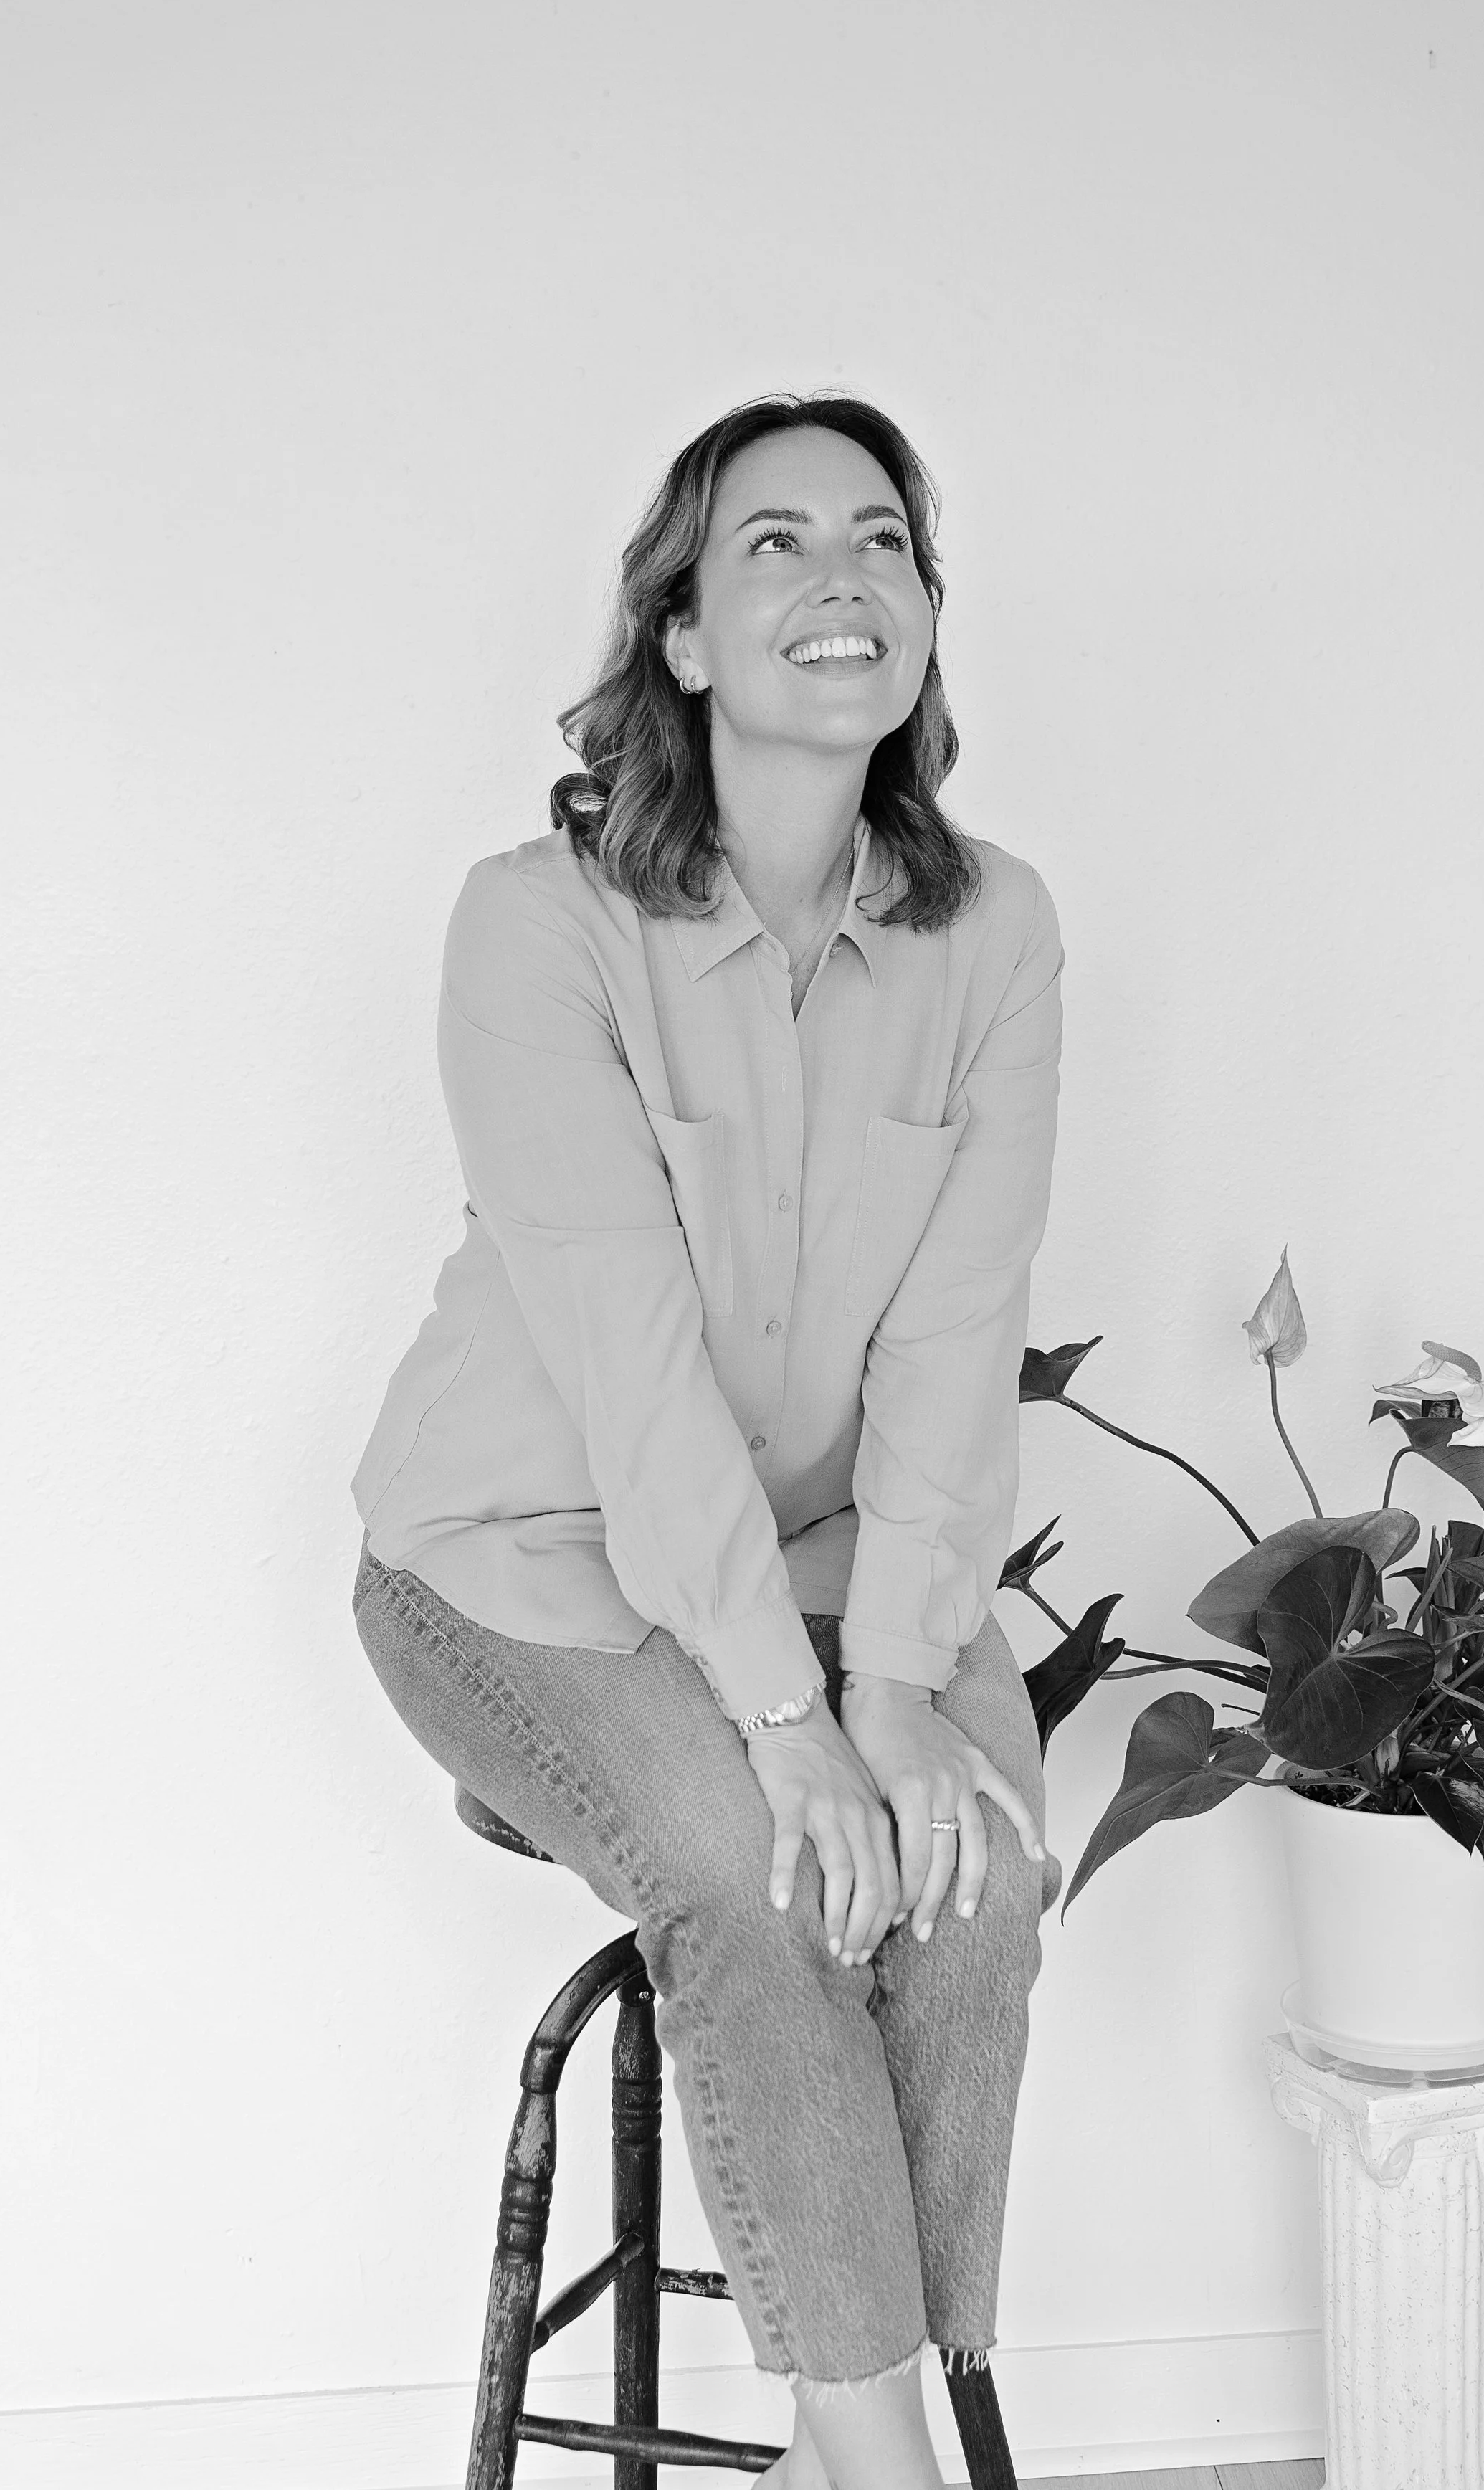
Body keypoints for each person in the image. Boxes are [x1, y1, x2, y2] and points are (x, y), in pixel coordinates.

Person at [349, 389, 1066, 2490]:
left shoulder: (994, 930)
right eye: (775, 542)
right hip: (525, 1554)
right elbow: (631, 1362)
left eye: (882, 538)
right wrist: (785, 1716)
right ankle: (886, 2469)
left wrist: (896, 1685)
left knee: (971, 1869)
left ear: (924, 614)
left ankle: (875, 2418)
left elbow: (959, 1333)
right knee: (768, 1878)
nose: (842, 577)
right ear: (678, 634)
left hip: (837, 1560)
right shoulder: (535, 921)